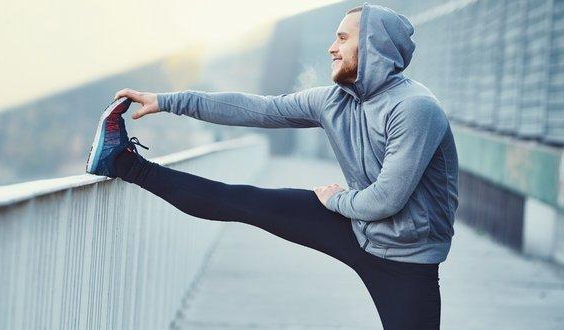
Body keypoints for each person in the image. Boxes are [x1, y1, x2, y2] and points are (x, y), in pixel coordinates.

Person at [85, 2, 458, 329]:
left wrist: (335, 201)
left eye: (343, 39)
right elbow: (256, 109)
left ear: (375, 44)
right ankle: (123, 163)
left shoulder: (414, 109)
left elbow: (385, 200)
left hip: (408, 261)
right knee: (240, 200)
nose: (331, 47)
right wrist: (167, 100)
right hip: (357, 227)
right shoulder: (333, 101)